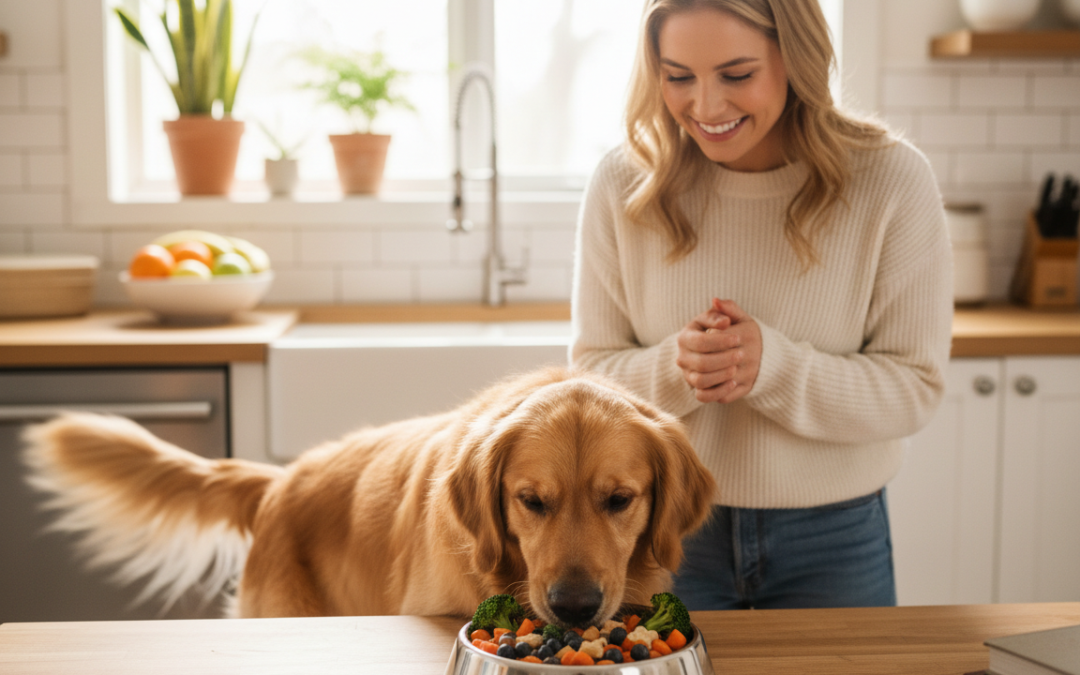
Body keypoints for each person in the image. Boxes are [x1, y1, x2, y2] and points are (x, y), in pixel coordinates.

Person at [569, 0, 953, 610]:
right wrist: (679, 368)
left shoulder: (891, 180)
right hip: (661, 530)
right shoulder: (623, 184)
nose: (706, 106)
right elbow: (588, 377)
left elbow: (915, 389)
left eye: (737, 75)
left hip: (834, 538)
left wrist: (772, 368)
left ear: (795, 58)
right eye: (678, 77)